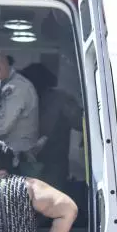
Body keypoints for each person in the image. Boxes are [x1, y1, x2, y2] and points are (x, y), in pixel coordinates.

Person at [19, 63, 83, 193]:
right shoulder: (59, 99)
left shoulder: (59, 100)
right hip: (38, 165)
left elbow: (82, 123)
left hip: (50, 166)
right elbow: (81, 123)